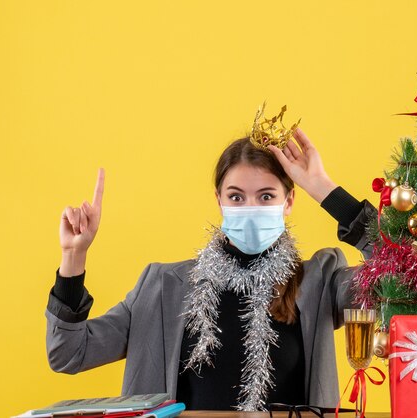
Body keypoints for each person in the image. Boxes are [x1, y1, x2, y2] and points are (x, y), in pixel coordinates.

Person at [46, 128, 375, 411]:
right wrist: (73, 258)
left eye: (265, 196)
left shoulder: (320, 281)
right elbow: (69, 353)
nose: (250, 209)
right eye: (236, 197)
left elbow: (409, 277)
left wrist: (325, 190)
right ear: (218, 200)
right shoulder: (162, 286)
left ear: (289, 201)